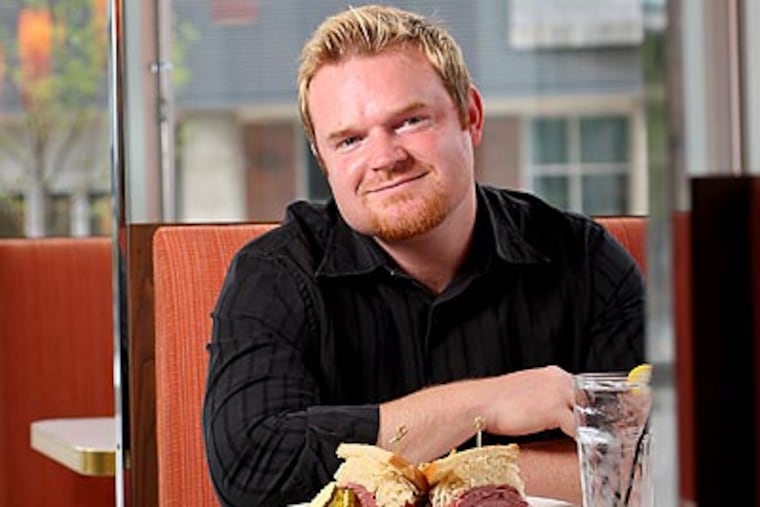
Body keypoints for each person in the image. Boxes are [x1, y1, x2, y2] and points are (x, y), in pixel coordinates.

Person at [203, 4, 645, 506]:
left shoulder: (584, 260)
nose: (385, 158)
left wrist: (405, 469)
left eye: (411, 121)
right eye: (349, 140)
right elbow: (251, 471)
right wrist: (489, 404)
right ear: (324, 161)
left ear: (471, 117)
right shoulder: (275, 274)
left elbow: (642, 468)